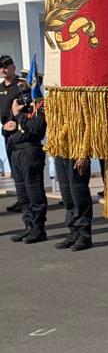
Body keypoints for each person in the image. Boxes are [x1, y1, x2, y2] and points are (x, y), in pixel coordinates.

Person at [2, 86, 47, 242]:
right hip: (15, 151)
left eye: (26, 93)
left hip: (30, 151)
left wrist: (18, 115)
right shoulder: (16, 108)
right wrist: (10, 123)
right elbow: (6, 128)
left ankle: (38, 228)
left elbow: (34, 129)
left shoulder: (40, 108)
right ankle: (28, 225)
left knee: (34, 191)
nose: (24, 97)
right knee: (22, 194)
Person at [0, 56, 26, 214]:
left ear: (13, 67)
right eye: (0, 67)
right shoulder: (1, 87)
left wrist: (17, 122)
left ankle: (27, 199)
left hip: (19, 132)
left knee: (23, 168)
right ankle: (21, 198)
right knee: (14, 168)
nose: (3, 70)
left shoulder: (21, 85)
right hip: (6, 133)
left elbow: (28, 107)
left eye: (5, 66)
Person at [54, 155, 93, 251]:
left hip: (76, 152)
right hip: (61, 152)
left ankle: (84, 236)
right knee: (67, 196)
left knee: (79, 195)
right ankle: (74, 233)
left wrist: (83, 155)